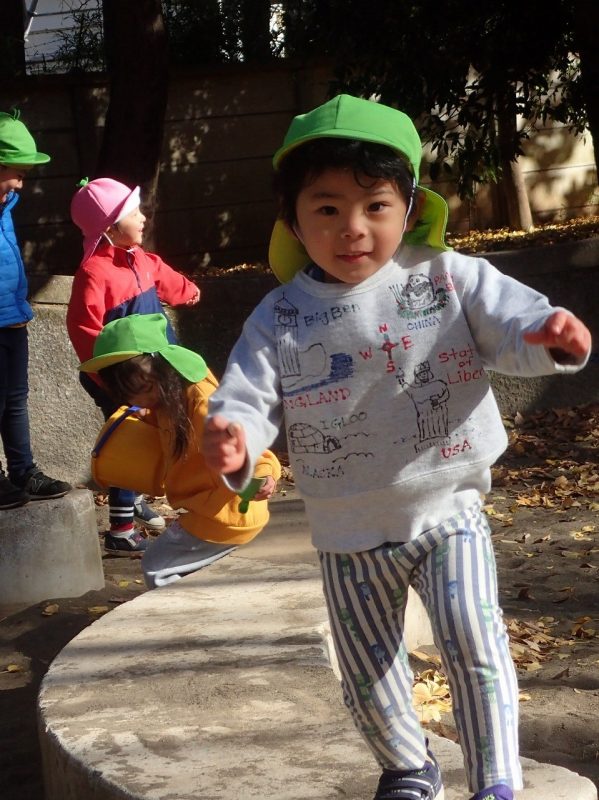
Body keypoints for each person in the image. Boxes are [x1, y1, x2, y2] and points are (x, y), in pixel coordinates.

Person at [202, 94, 592, 800]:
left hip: (447, 508)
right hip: (345, 529)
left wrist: (546, 336)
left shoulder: (445, 277)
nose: (352, 230)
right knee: (365, 672)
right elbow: (248, 392)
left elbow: (512, 323)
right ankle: (408, 764)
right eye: (326, 210)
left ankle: (495, 780)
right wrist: (235, 434)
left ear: (408, 209)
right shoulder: (281, 312)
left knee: (472, 643)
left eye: (374, 207)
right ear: (293, 217)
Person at [79, 312, 280, 587]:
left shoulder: (203, 404)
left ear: (159, 372)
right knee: (181, 568)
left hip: (227, 515)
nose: (134, 400)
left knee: (156, 566)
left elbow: (246, 444)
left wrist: (262, 473)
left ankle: (182, 626)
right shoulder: (169, 396)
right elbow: (160, 418)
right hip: (211, 509)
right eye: (125, 394)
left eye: (137, 389)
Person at [67, 177, 201, 553]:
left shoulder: (140, 259)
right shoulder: (95, 273)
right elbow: (84, 328)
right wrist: (108, 376)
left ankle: (139, 497)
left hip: (156, 369)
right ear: (109, 227)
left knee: (166, 430)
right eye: (134, 213)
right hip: (122, 376)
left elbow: (165, 277)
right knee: (134, 438)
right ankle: (121, 529)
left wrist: (189, 291)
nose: (143, 218)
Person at [0, 109, 72, 509]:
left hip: (12, 318)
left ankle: (23, 471)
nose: (20, 182)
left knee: (16, 398)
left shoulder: (6, 205)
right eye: (17, 172)